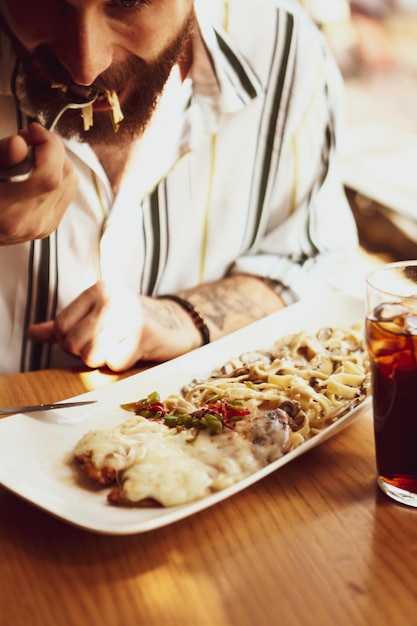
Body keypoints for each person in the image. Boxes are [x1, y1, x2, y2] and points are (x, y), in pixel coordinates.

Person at [0, 0, 358, 375]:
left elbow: (316, 264)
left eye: (128, 2)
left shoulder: (283, 51)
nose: (86, 67)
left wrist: (181, 316)